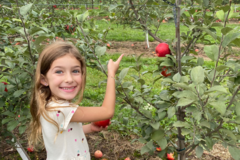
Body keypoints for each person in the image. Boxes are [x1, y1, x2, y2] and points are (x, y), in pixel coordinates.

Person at [27, 41, 124, 160]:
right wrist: (111, 73)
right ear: (44, 79)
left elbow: (65, 132)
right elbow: (107, 111)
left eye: (75, 71)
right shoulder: (61, 109)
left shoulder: (49, 104)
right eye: (59, 71)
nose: (69, 79)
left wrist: (89, 128)